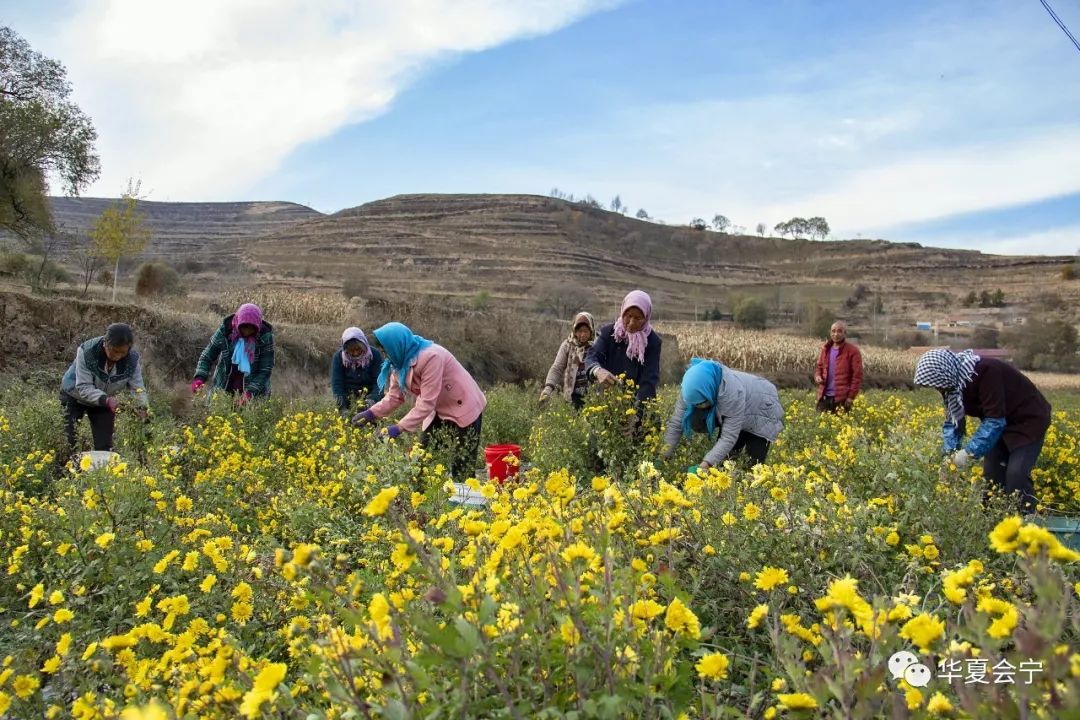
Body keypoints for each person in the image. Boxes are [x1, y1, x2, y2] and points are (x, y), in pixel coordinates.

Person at [914, 348, 1051, 513]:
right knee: (992, 476)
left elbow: (995, 420)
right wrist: (949, 456)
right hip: (1000, 424)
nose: (939, 390)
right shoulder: (952, 387)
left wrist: (968, 452)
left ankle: (1025, 524)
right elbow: (953, 423)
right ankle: (991, 525)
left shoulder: (986, 372)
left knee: (1017, 475)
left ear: (945, 374)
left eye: (937, 385)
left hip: (1028, 421)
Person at [353, 322, 487, 482]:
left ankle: (465, 504)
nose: (385, 354)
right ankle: (425, 502)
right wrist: (370, 413)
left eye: (385, 349)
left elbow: (426, 402)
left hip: (464, 405)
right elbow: (395, 397)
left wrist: (399, 428)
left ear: (396, 344)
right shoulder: (398, 364)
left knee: (462, 465)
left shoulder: (431, 357)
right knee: (421, 460)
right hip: (439, 410)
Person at [662, 358, 784, 469]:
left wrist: (705, 465)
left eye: (702, 403)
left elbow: (728, 436)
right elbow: (676, 424)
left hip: (763, 409)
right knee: (724, 464)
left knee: (753, 468)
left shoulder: (731, 393)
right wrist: (663, 456)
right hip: (738, 406)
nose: (698, 407)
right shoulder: (690, 389)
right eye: (695, 404)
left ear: (709, 391)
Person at [60, 323, 147, 453]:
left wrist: (142, 407)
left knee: (105, 446)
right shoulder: (87, 351)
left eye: (123, 352)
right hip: (74, 395)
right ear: (105, 344)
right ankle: (68, 471)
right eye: (115, 351)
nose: (118, 356)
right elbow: (84, 387)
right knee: (69, 442)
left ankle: (102, 470)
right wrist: (106, 400)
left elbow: (137, 388)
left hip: (104, 401)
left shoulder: (131, 360)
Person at [584, 290, 662, 405]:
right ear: (622, 312)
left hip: (638, 403)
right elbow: (592, 356)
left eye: (638, 318)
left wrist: (635, 415)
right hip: (608, 401)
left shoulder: (652, 342)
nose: (631, 323)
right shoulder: (609, 333)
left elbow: (648, 382)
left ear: (646, 318)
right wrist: (598, 371)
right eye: (628, 316)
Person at [191, 303, 274, 404]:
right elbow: (208, 355)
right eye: (244, 327)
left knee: (250, 418)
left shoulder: (265, 336)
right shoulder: (226, 331)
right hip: (224, 384)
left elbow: (265, 370)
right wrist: (200, 377)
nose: (247, 332)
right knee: (218, 414)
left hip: (253, 390)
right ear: (238, 322)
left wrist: (250, 393)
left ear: (257, 326)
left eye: (251, 328)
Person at [539, 311, 596, 409]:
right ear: (574, 330)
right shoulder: (568, 345)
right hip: (572, 398)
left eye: (585, 331)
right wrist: (548, 388)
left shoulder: (597, 345)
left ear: (591, 330)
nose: (582, 335)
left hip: (594, 399)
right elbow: (557, 368)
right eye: (579, 331)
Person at [331, 326, 383, 416]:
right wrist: (342, 408)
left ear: (364, 344)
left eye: (358, 349)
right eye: (351, 350)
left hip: (371, 399)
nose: (355, 353)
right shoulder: (338, 358)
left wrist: (372, 401)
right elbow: (337, 384)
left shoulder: (374, 355)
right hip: (348, 400)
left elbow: (379, 383)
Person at [814, 321, 863, 413]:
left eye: (839, 331)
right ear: (830, 333)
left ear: (845, 333)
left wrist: (850, 397)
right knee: (819, 425)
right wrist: (818, 376)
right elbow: (819, 367)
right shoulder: (825, 349)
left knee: (840, 426)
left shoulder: (853, 351)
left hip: (842, 399)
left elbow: (857, 376)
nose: (836, 334)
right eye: (833, 331)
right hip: (824, 397)